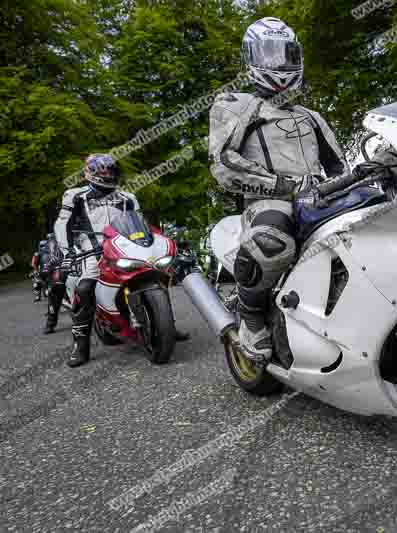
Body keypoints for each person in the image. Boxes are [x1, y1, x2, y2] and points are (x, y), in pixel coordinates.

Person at [209, 16, 349, 362]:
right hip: (266, 201)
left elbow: (339, 165)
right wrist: (279, 184)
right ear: (251, 58)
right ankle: (252, 316)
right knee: (272, 241)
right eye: (269, 53)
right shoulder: (235, 104)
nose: (279, 62)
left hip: (318, 200)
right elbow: (223, 162)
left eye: (285, 53)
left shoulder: (311, 115)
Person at [46, 154, 189, 367]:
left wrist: (156, 242)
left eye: (110, 171)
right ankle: (80, 345)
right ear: (90, 172)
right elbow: (62, 224)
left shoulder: (128, 197)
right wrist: (67, 254)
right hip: (91, 248)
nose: (107, 175)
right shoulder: (75, 195)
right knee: (85, 288)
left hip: (124, 244)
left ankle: (166, 324)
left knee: (154, 274)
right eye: (102, 171)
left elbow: (141, 223)